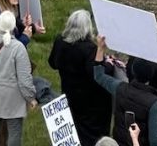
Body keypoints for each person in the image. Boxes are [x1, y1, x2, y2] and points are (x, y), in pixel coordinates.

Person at [48, 9, 114, 146]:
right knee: (90, 137)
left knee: (75, 130)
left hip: (69, 95)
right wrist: (108, 63)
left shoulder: (60, 41)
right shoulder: (89, 49)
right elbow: (98, 74)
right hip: (91, 102)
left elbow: (52, 63)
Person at [0, 11, 37, 146]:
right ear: (14, 26)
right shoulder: (18, 48)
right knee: (14, 133)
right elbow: (24, 78)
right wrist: (30, 97)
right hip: (12, 99)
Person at [94, 36, 157, 146]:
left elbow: (99, 76)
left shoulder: (120, 88)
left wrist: (100, 48)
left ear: (133, 72)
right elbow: (155, 140)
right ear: (151, 77)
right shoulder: (153, 103)